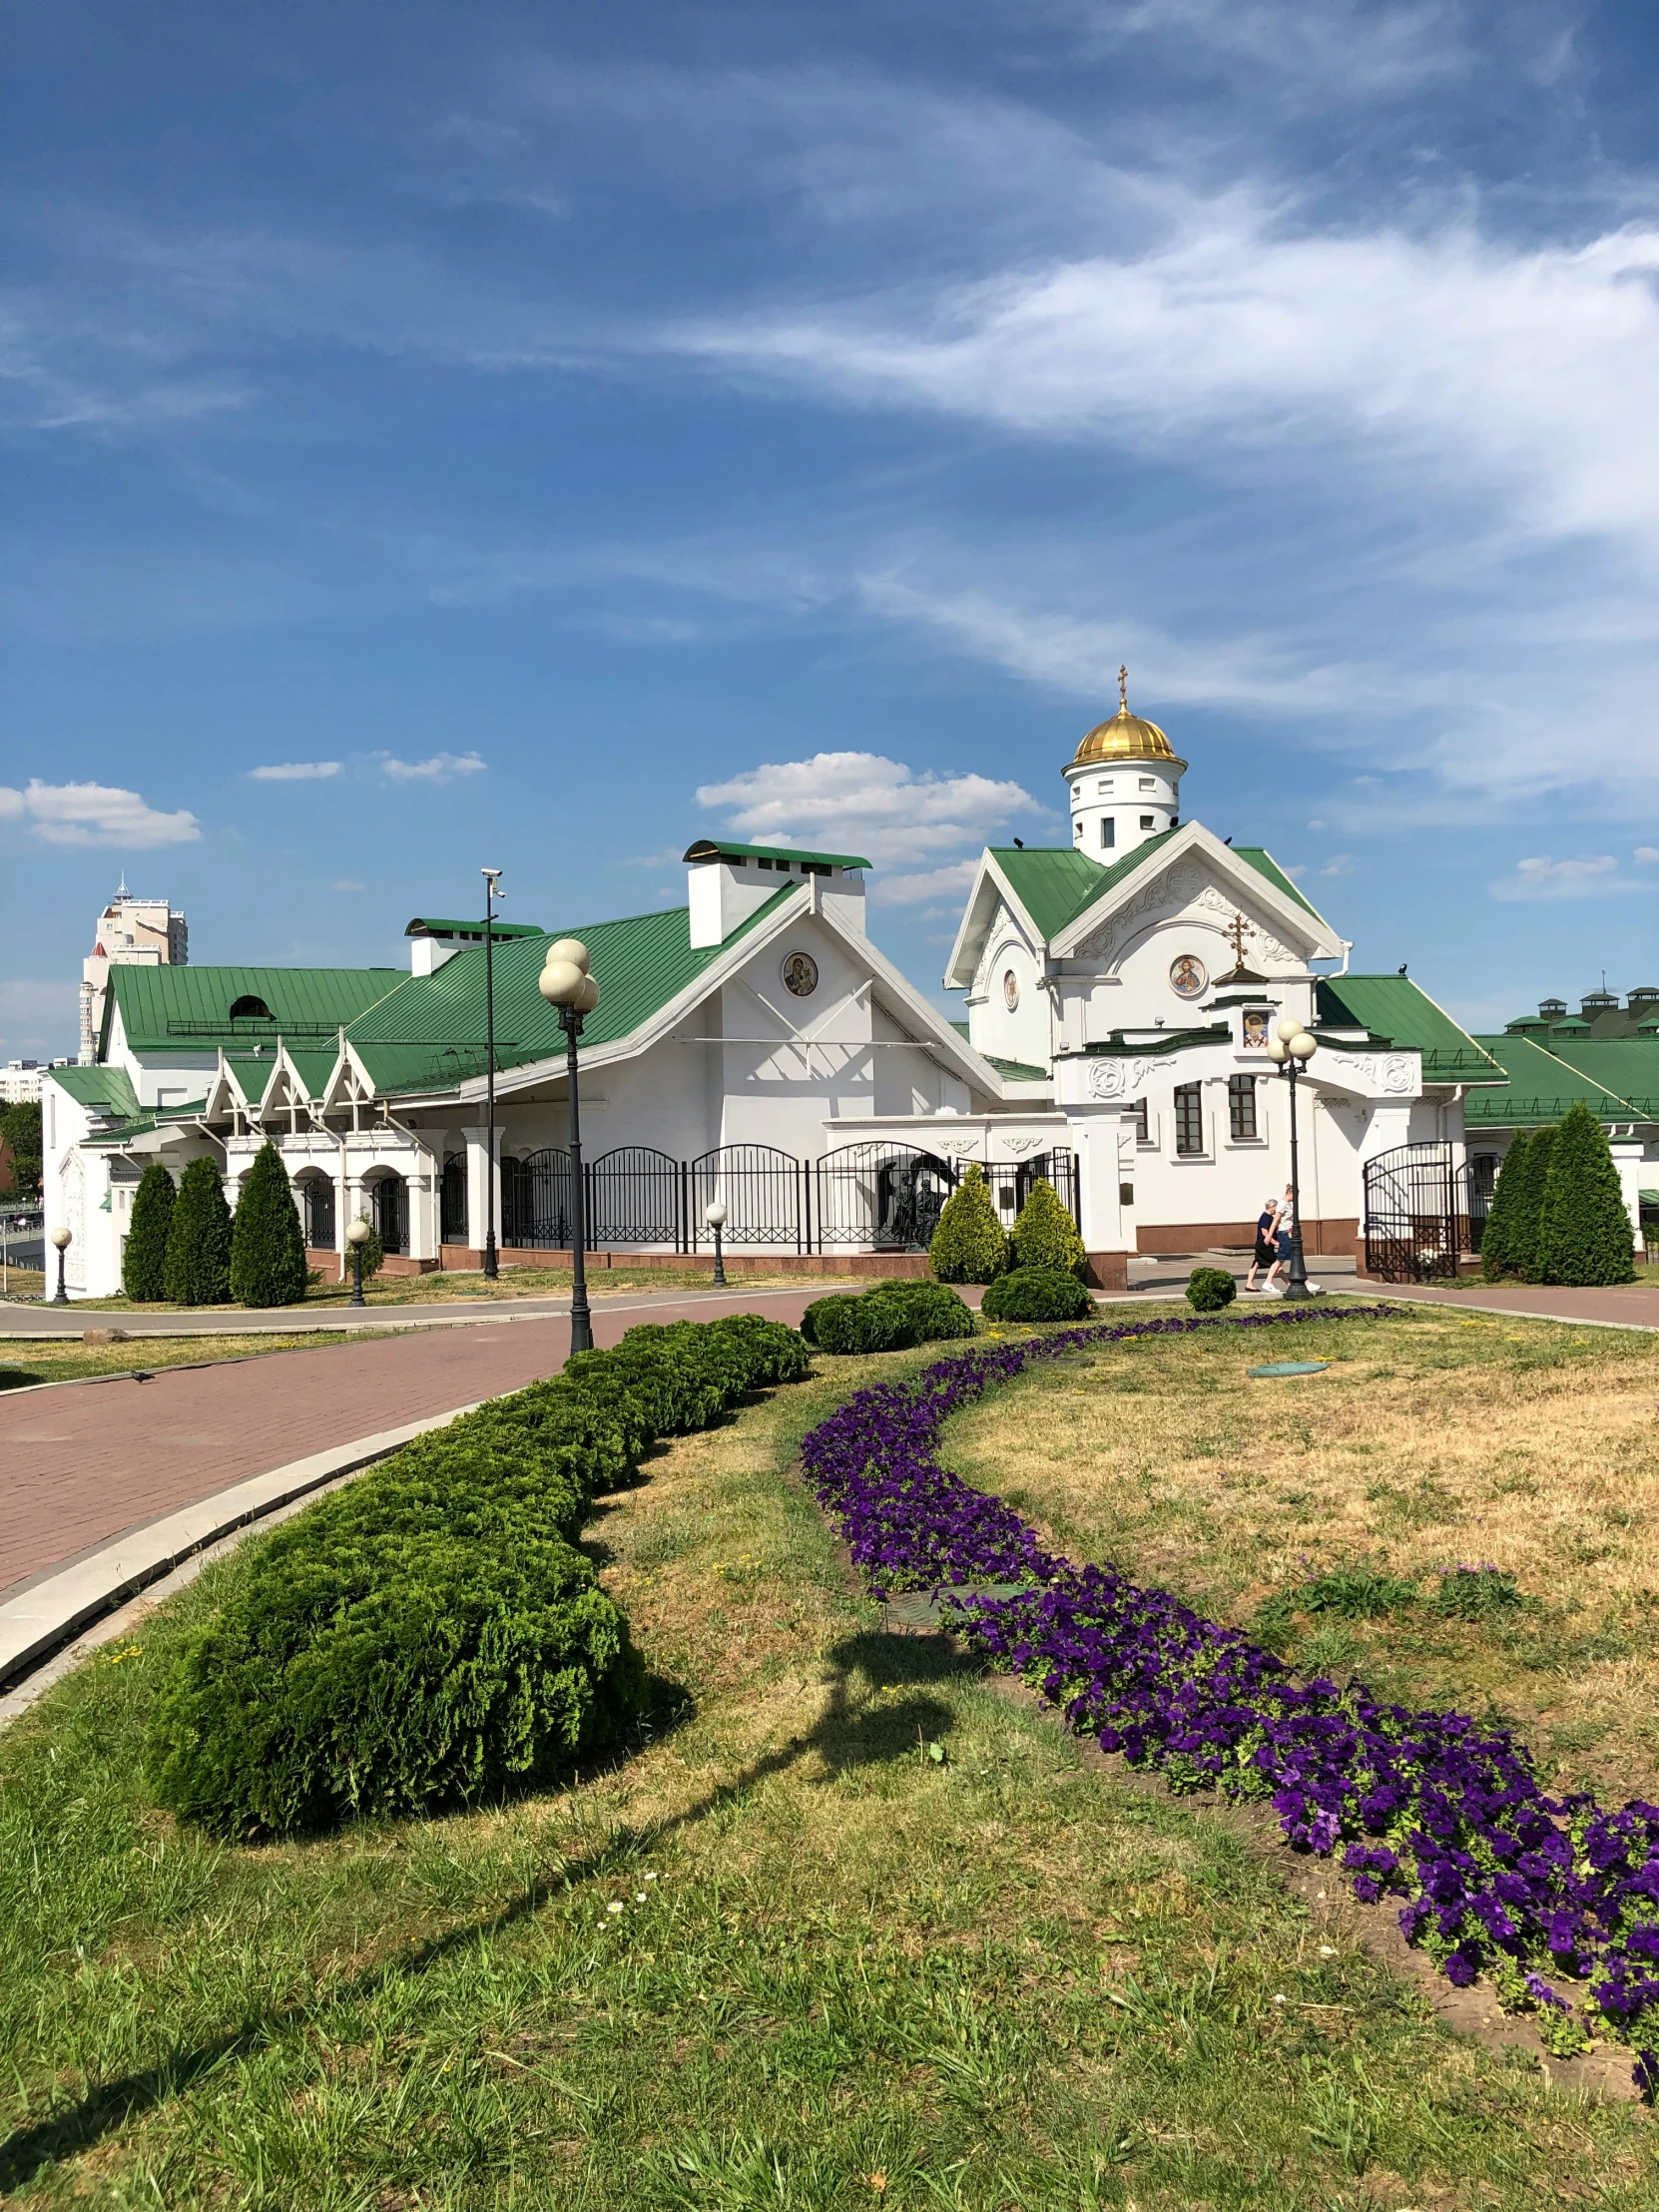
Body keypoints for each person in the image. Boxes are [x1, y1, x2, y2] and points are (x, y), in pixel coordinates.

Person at [1264, 1184, 1296, 1294]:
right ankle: (1268, 1282)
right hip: (1284, 1233)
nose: (1296, 1198)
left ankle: (1305, 1283)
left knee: (1291, 1257)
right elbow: (1275, 1221)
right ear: (1290, 1193)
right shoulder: (1282, 1204)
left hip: (1289, 1233)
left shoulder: (1287, 1204)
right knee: (1281, 1259)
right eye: (1295, 1195)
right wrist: (1269, 1236)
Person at [1245, 1197, 1278, 1291]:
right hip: (1264, 1245)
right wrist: (1275, 1243)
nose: (1277, 1209)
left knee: (1257, 1263)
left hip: (1262, 1244)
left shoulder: (1269, 1217)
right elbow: (1265, 1232)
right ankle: (1289, 1283)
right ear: (1271, 1207)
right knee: (1276, 1264)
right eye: (1276, 1207)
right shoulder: (1266, 1217)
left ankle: (1249, 1284)